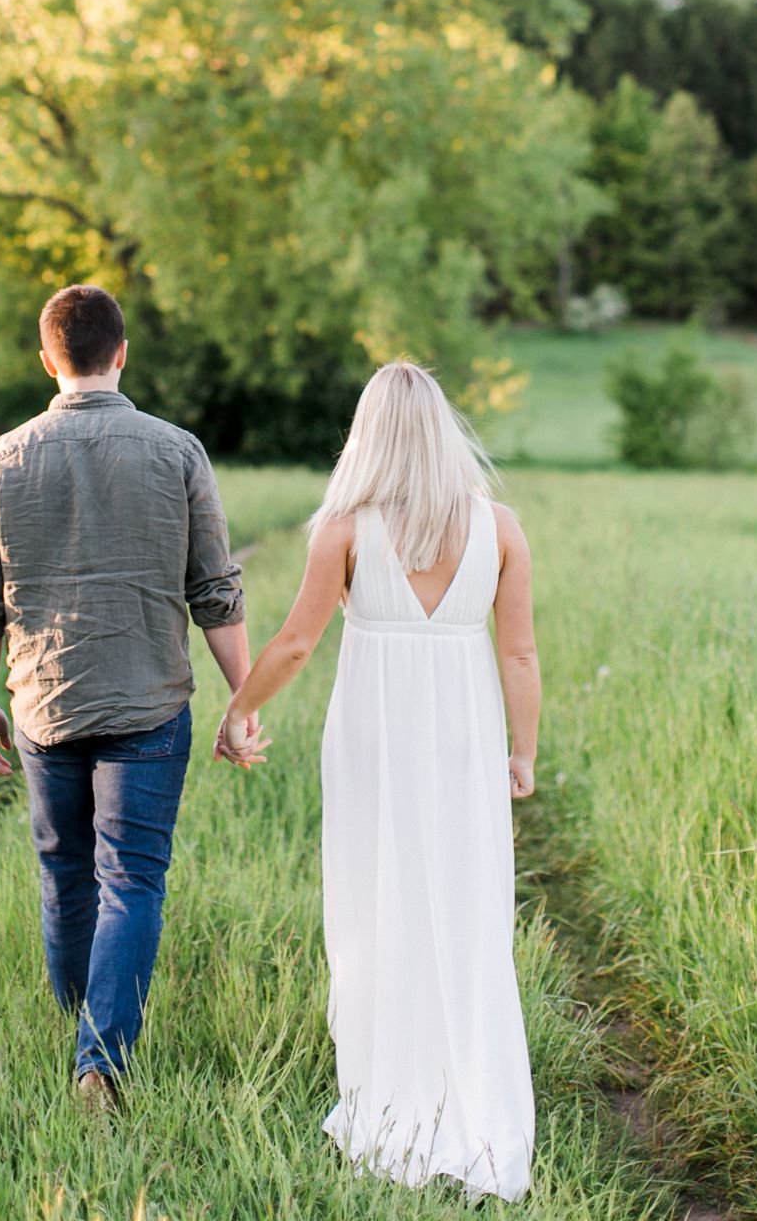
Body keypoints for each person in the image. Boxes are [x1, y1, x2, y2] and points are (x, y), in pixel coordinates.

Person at [219, 359, 539, 1201]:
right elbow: (519, 653)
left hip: (375, 744)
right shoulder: (501, 528)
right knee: (467, 913)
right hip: (464, 743)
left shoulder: (345, 530)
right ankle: (472, 1099)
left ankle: (389, 1098)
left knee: (377, 909)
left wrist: (239, 710)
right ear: (441, 431)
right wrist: (523, 752)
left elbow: (296, 643)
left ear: (369, 437)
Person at [0, 283, 258, 1111]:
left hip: (45, 704)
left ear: (47, 361)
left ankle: (84, 1035)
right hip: (149, 705)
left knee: (65, 873)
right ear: (121, 353)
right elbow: (216, 592)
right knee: (133, 880)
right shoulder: (178, 452)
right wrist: (244, 699)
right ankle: (100, 1060)